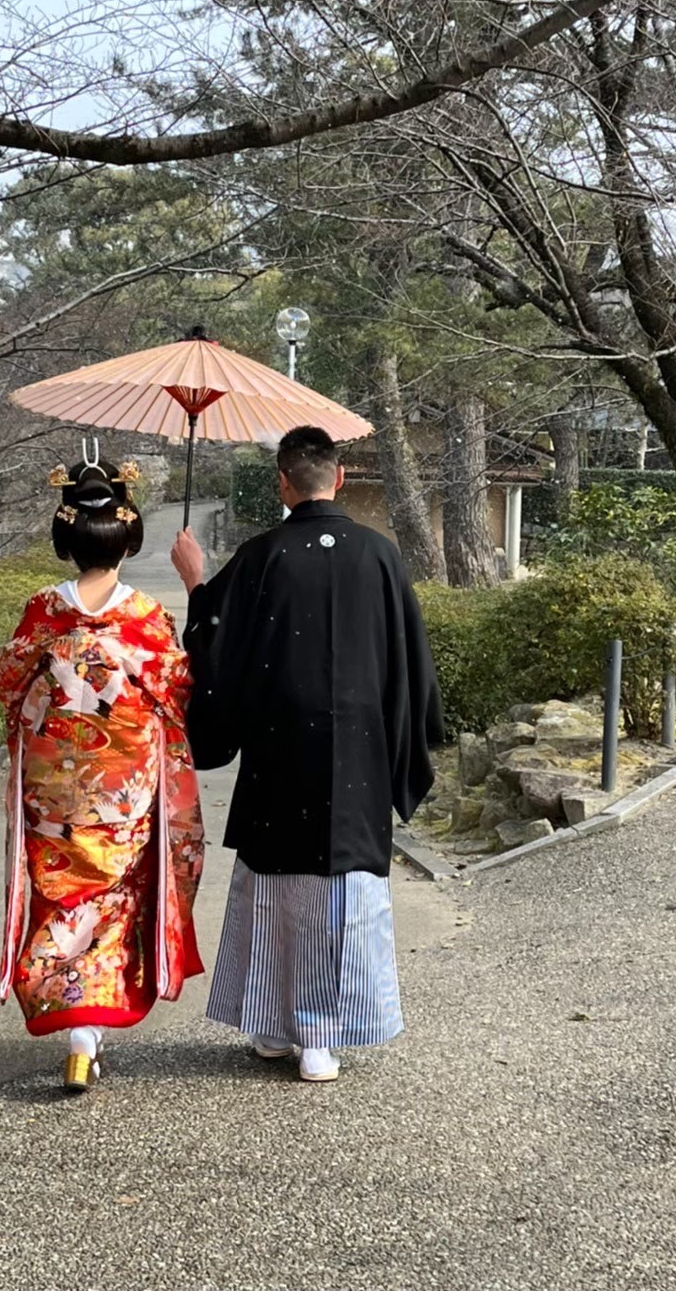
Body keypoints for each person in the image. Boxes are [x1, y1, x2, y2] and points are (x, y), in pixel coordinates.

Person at [171, 425, 443, 1083]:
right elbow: (411, 665)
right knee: (341, 892)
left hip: (278, 747)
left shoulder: (264, 554)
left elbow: (218, 647)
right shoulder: (379, 554)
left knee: (275, 887)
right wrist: (406, 743)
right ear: (339, 477)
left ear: (283, 484)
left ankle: (274, 1024)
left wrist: (196, 582)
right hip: (359, 750)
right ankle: (318, 1037)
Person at [0, 443, 205, 1093]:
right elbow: (178, 690)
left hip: (54, 796)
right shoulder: (144, 617)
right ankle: (90, 1031)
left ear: (65, 537)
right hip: (125, 796)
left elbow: (8, 684)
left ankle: (75, 1027)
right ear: (129, 536)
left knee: (61, 895)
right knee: (113, 899)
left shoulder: (42, 613)